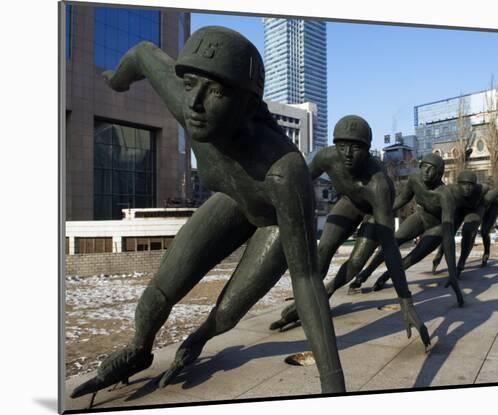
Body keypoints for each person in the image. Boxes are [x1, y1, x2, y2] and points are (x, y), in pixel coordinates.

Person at [71, 26, 345, 398]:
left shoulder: (283, 171)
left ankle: (197, 340)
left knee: (228, 312)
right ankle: (139, 350)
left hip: (273, 222)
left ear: (248, 105)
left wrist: (333, 386)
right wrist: (116, 81)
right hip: (233, 200)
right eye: (191, 86)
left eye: (215, 92)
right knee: (156, 294)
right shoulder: (189, 105)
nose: (195, 103)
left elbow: (307, 279)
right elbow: (141, 53)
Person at [268, 115, 430, 349]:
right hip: (350, 201)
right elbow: (298, 181)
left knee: (355, 263)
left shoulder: (378, 184)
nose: (348, 153)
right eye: (342, 146)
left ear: (367, 149)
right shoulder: (326, 157)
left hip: (374, 211)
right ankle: (310, 298)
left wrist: (406, 301)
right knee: (323, 249)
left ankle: (328, 291)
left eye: (356, 147)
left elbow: (390, 248)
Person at [370, 171, 498, 291]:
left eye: (470, 185)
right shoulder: (450, 192)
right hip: (460, 208)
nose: (467, 188)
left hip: (479, 207)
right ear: (457, 185)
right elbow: (447, 231)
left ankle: (468, 260)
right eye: (463, 185)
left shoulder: (484, 194)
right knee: (448, 231)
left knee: (474, 231)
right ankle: (439, 255)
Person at [344, 153, 464, 306]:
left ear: (439, 174)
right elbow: (402, 199)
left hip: (437, 227)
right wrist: (382, 211)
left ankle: (386, 276)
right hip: (421, 217)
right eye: (424, 167)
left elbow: (448, 236)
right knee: (393, 242)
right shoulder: (415, 180)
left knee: (411, 258)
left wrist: (452, 272)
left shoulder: (445, 195)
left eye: (431, 169)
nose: (426, 171)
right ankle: (365, 274)